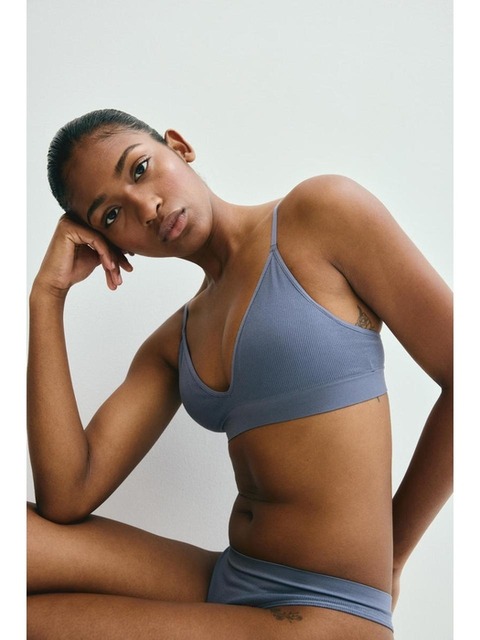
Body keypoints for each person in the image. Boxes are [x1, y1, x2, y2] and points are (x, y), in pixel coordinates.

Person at [27, 109, 452, 640]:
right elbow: (67, 496)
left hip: (327, 612)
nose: (147, 207)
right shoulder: (173, 344)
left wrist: (393, 555)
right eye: (111, 215)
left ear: (179, 147)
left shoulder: (320, 214)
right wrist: (47, 296)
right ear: (114, 245)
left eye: (139, 169)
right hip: (231, 576)